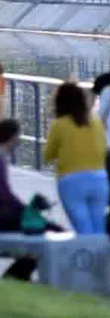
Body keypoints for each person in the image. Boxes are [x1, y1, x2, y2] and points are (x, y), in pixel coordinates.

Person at [0, 119, 63, 280]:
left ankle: (21, 274)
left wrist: (28, 210)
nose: (19, 140)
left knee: (44, 227)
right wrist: (27, 211)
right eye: (18, 136)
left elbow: (3, 196)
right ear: (12, 137)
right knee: (45, 229)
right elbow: (4, 196)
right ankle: (16, 275)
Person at [45, 82, 108, 234]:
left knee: (83, 230)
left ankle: (88, 256)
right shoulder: (96, 122)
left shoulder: (59, 125)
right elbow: (103, 149)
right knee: (99, 228)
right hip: (99, 180)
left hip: (71, 182)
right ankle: (101, 256)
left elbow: (47, 155)